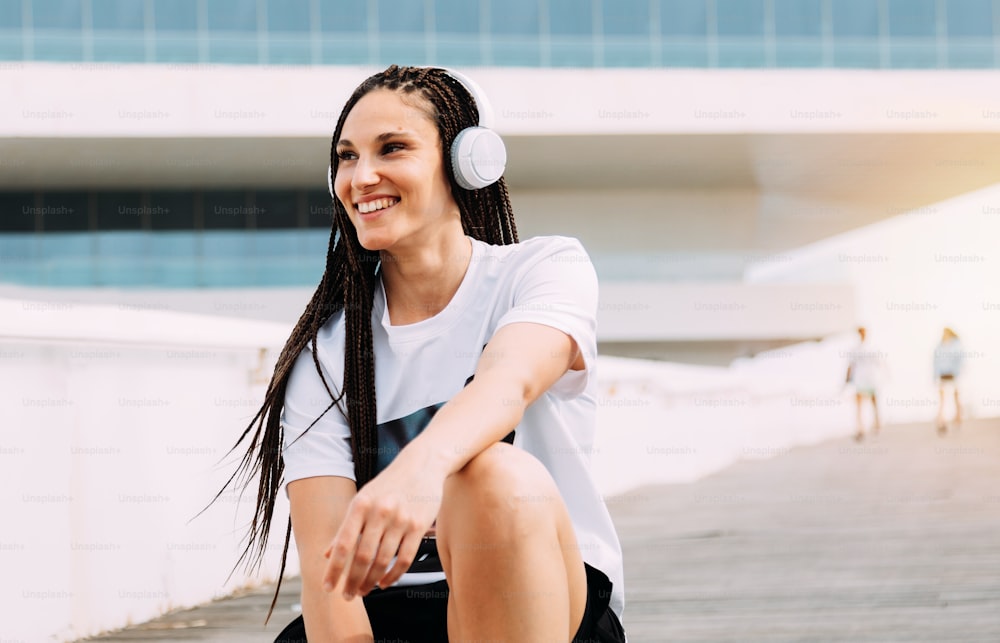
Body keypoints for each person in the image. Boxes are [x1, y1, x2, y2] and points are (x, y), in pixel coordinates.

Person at [226, 65, 626, 642]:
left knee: (490, 473)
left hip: (545, 597)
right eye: (346, 156)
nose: (362, 177)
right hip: (392, 619)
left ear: (469, 163)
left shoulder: (542, 271)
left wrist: (420, 469)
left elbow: (509, 381)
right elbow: (328, 574)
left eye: (393, 148)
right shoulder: (328, 352)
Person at [845, 326, 882, 441]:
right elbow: (880, 364)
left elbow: (851, 366)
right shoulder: (870, 348)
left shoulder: (861, 349)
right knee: (868, 403)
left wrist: (847, 379)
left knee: (865, 404)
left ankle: (866, 426)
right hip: (867, 379)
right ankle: (868, 426)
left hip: (865, 379)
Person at [933, 327, 964, 435]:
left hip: (953, 375)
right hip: (942, 376)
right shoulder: (940, 346)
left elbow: (960, 360)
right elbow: (935, 362)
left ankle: (958, 418)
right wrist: (934, 377)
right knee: (942, 399)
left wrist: (957, 373)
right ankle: (941, 421)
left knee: (956, 397)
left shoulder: (956, 345)